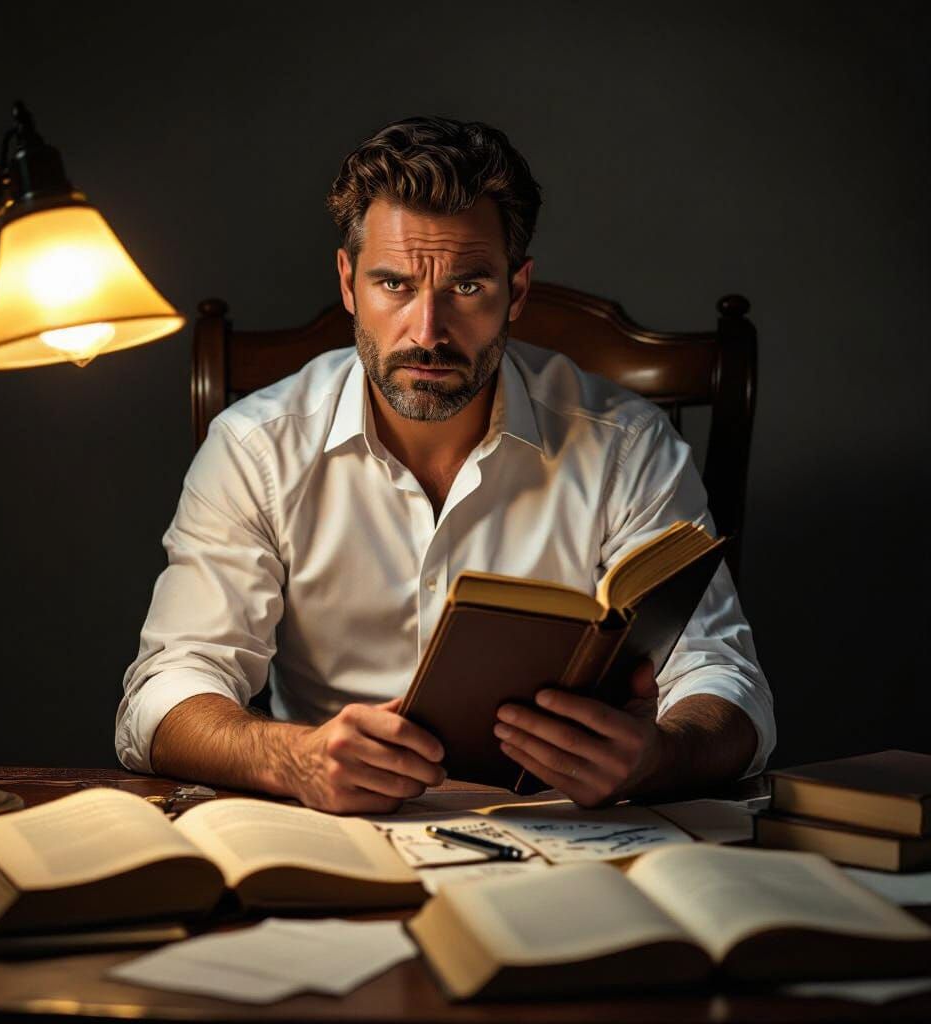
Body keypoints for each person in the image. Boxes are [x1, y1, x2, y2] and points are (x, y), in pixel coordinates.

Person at [115, 116, 774, 814]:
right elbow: (166, 688)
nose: (427, 332)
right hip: (335, 833)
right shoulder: (256, 448)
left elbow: (726, 680)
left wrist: (658, 758)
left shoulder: (626, 448)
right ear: (348, 282)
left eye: (467, 288)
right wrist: (294, 758)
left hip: (568, 831)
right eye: (394, 285)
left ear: (516, 291)